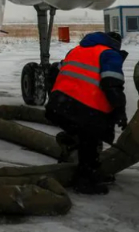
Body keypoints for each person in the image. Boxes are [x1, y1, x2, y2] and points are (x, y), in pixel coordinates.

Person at [45, 31, 128, 195]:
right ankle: (85, 180)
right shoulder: (110, 54)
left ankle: (70, 145)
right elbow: (112, 85)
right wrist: (120, 112)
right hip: (84, 111)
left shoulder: (76, 50)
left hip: (57, 107)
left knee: (81, 132)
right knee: (91, 139)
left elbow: (54, 72)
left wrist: (55, 98)